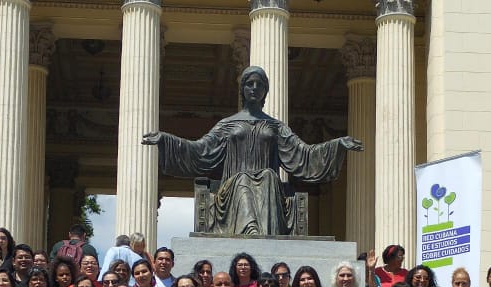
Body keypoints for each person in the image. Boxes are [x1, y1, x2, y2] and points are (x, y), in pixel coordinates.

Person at [142, 66, 360, 236]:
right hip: (233, 188)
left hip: (268, 187)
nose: (254, 88)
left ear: (265, 90)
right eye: (249, 84)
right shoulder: (227, 124)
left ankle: (262, 234)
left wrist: (337, 145)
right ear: (243, 89)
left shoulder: (276, 126)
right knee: (244, 179)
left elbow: (303, 154)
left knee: (267, 176)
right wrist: (166, 140)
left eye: (259, 84)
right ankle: (252, 233)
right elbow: (200, 150)